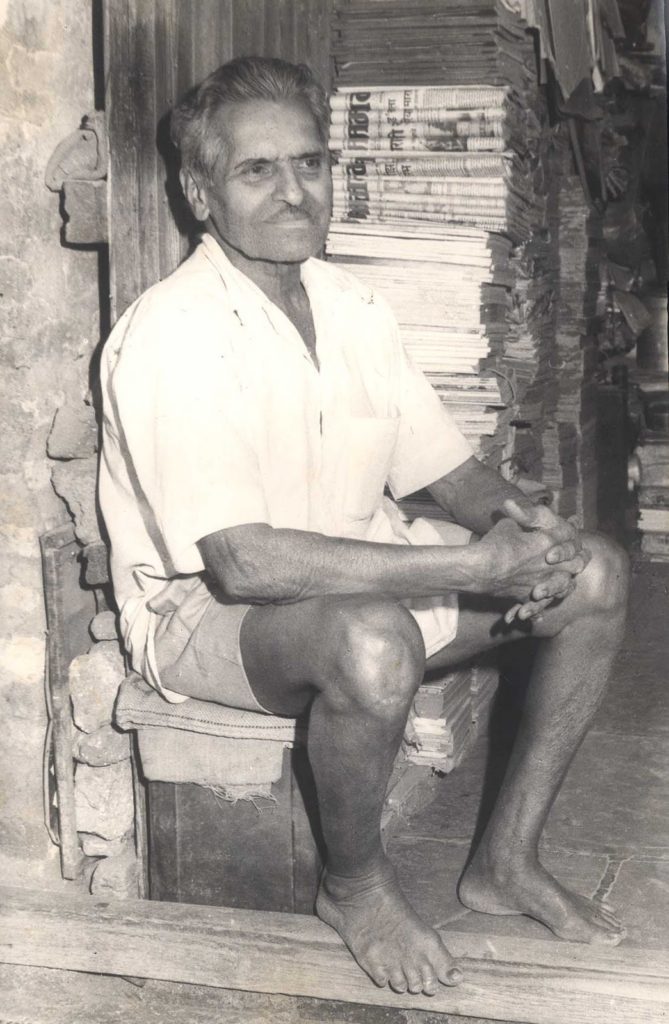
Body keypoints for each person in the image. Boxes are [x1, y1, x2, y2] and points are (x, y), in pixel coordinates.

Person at [99, 55, 630, 997]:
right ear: (199, 194)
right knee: (371, 643)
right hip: (204, 617)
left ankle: (505, 860)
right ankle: (354, 887)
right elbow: (245, 564)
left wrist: (522, 527)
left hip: (357, 579)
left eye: (309, 163)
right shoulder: (172, 332)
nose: (293, 192)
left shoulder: (353, 307)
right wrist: (477, 568)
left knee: (594, 572)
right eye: (257, 171)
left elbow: (446, 472)